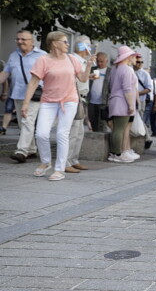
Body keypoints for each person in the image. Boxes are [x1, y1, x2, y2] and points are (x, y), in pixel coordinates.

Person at [21, 31, 93, 180]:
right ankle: (46, 162)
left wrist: (89, 66)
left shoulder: (72, 59)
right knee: (41, 133)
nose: (68, 44)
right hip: (48, 101)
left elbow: (83, 78)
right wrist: (25, 103)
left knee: (62, 134)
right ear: (55, 43)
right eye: (65, 41)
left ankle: (59, 169)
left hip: (69, 101)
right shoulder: (43, 60)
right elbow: (33, 82)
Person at [1, 30, 46, 163]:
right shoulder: (13, 55)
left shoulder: (42, 56)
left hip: (34, 95)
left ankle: (21, 151)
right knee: (23, 123)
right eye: (18, 39)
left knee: (27, 121)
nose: (20, 42)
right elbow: (5, 73)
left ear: (32, 41)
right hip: (17, 94)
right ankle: (31, 150)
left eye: (23, 39)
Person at [64, 36, 94, 174]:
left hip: (81, 98)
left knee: (79, 132)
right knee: (73, 132)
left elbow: (81, 77)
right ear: (83, 47)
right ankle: (66, 161)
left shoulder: (83, 61)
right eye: (89, 45)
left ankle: (73, 160)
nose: (91, 48)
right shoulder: (73, 59)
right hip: (74, 98)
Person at [107, 46, 139, 163]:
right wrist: (131, 105)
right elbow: (127, 89)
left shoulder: (115, 69)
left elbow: (110, 85)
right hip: (122, 102)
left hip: (114, 100)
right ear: (128, 57)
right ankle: (117, 154)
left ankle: (115, 153)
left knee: (117, 129)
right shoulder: (125, 69)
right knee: (119, 129)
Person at [134, 54, 153, 151]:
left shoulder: (145, 74)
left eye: (141, 62)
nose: (140, 64)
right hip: (130, 99)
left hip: (140, 100)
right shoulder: (130, 71)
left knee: (140, 119)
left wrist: (138, 93)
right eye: (138, 62)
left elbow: (149, 88)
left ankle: (148, 137)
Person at [88, 53, 110, 132]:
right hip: (91, 101)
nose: (99, 63)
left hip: (104, 102)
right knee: (93, 122)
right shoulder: (93, 69)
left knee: (103, 123)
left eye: (102, 61)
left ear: (106, 61)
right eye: (98, 61)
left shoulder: (110, 71)